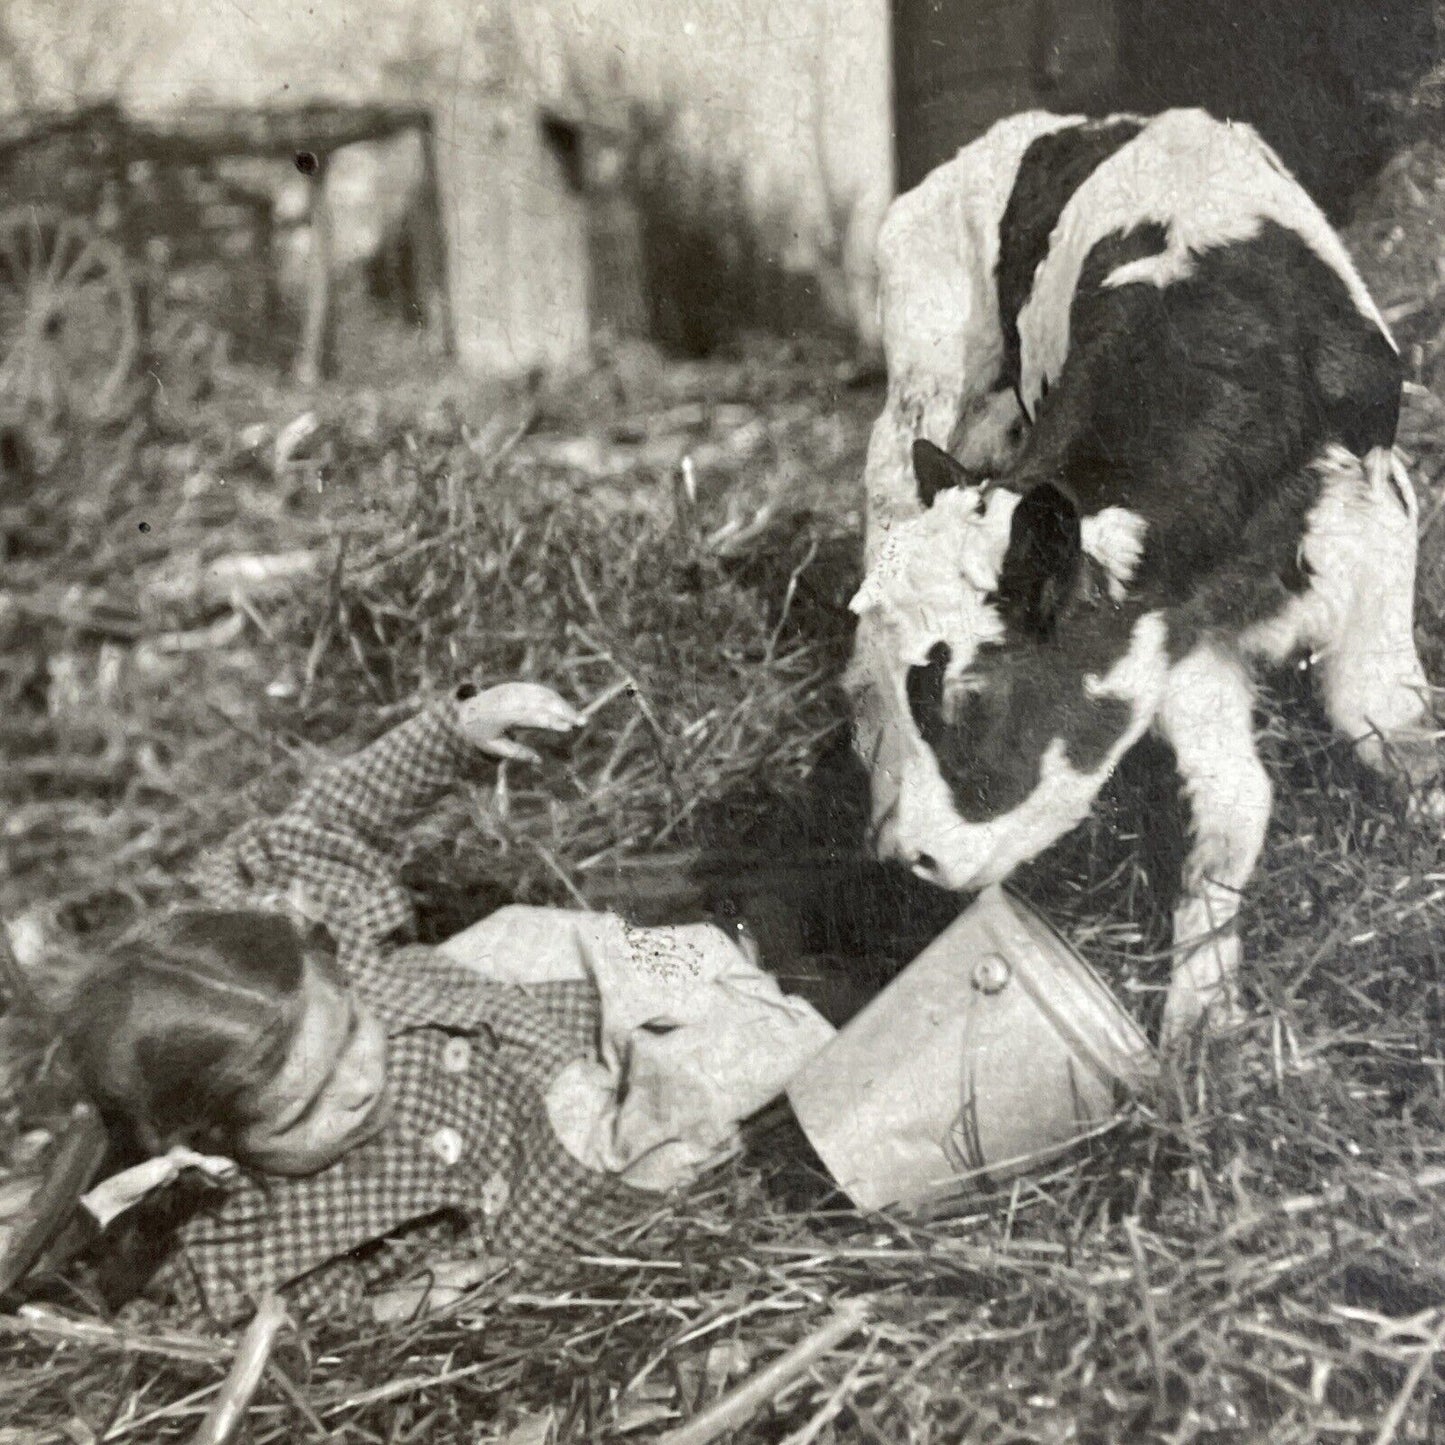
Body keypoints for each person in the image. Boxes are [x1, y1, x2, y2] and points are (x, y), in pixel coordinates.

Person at [60, 682, 742, 1326]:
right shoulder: (258, 1235)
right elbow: (269, 1330)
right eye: (304, 1109)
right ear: (209, 1147)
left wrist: (455, 734)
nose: (357, 1082)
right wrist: (392, 1306)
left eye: (353, 1027)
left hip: (536, 995)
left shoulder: (301, 959)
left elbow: (333, 817)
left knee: (707, 953)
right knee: (728, 1096)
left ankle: (763, 933)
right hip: (560, 1170)